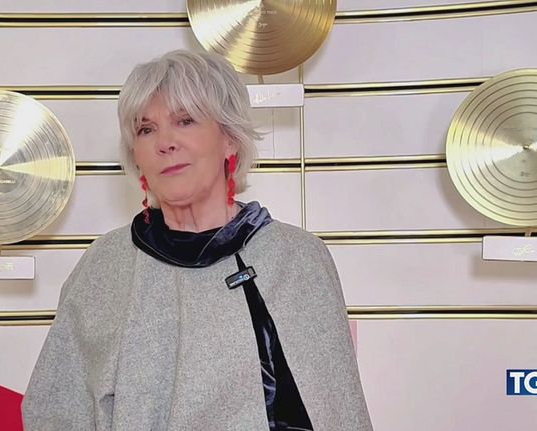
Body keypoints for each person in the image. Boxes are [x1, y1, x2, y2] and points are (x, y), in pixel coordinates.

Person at [22, 50, 372, 430]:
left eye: (185, 120)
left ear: (229, 139)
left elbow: (339, 413)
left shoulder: (298, 259)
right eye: (146, 129)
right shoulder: (105, 267)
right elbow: (55, 412)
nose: (165, 143)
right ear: (136, 156)